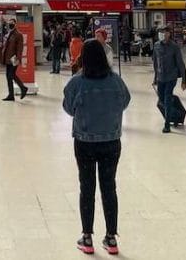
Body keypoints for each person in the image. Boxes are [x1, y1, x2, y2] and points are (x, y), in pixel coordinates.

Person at [63, 39, 131, 256]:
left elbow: (68, 107)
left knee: (87, 187)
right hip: (111, 141)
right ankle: (111, 238)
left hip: (84, 141)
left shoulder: (77, 82)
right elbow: (125, 102)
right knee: (109, 187)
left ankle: (86, 237)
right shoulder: (116, 81)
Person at [152, 27, 186, 133]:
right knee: (162, 99)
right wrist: (155, 78)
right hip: (161, 77)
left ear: (168, 34)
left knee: (167, 99)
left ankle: (167, 124)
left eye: (164, 32)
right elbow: (155, 62)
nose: (161, 34)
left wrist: (184, 80)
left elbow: (181, 64)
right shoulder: (156, 45)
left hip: (171, 77)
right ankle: (176, 115)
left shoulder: (174, 47)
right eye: (160, 32)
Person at [1, 18, 27, 100]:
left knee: (11, 75)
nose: (10, 24)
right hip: (8, 58)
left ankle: (23, 88)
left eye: (11, 23)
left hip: (14, 58)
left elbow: (20, 48)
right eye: (9, 23)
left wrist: (18, 59)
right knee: (8, 76)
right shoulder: (9, 33)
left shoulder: (18, 34)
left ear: (15, 24)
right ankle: (11, 95)